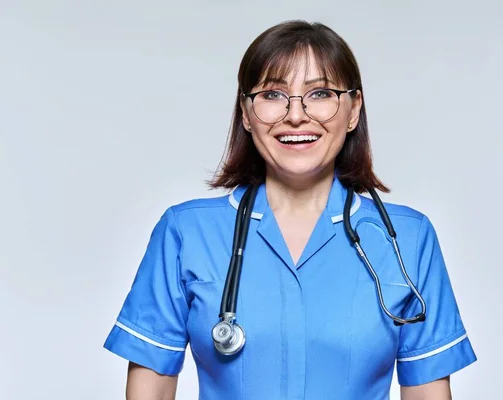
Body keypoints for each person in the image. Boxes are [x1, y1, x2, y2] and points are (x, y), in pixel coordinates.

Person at [104, 20, 477, 400]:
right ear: (246, 114)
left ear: (353, 110)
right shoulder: (186, 232)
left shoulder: (409, 239)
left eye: (320, 93)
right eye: (272, 94)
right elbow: (152, 388)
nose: (295, 115)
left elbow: (426, 391)